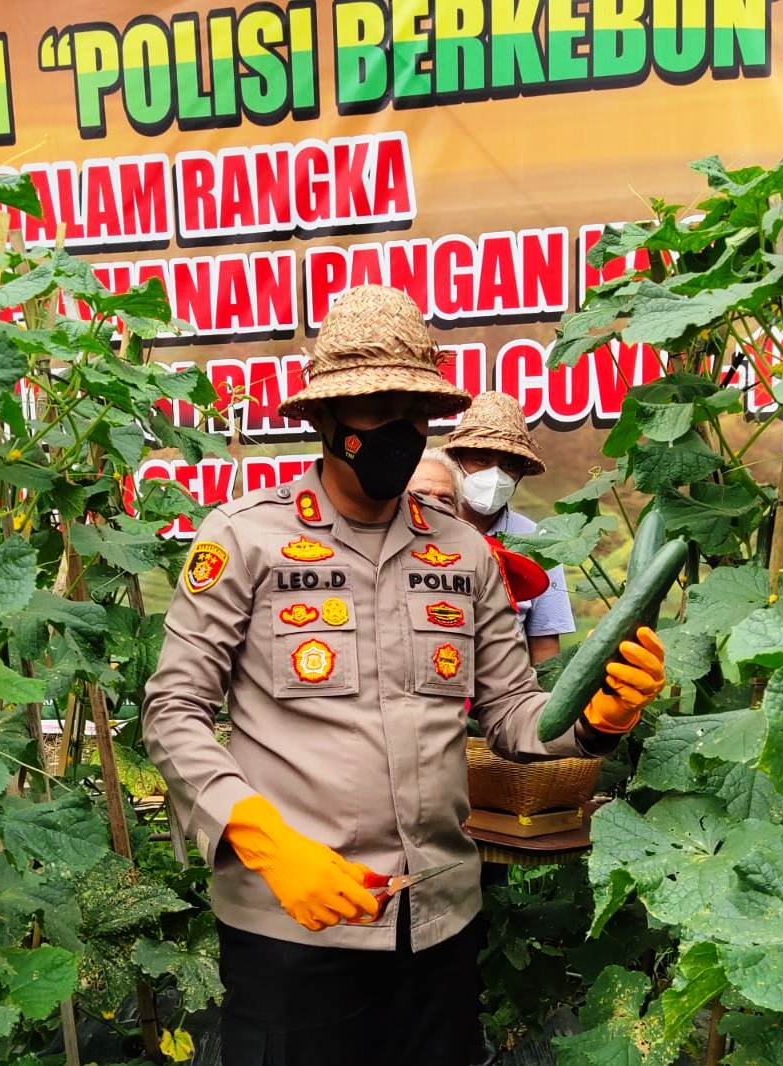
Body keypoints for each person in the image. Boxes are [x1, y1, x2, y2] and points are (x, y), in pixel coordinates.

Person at [141, 284, 666, 1066]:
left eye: (415, 410)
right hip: (293, 926)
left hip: (439, 922)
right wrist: (264, 839)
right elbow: (173, 711)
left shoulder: (458, 551)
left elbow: (515, 715)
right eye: (374, 408)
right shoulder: (246, 539)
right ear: (324, 420)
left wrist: (597, 718)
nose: (398, 430)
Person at [442, 392, 576, 664]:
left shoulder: (538, 541)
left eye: (508, 466)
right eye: (482, 460)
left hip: (506, 694)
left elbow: (545, 648)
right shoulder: (428, 528)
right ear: (457, 460)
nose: (495, 475)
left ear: (519, 475)